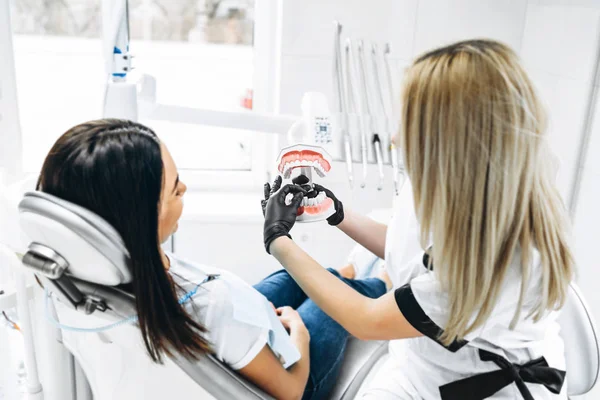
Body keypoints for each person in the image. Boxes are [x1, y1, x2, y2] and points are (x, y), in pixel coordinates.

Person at [261, 39, 573, 399]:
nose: (394, 137)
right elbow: (412, 251)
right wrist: (337, 213)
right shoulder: (440, 184)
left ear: (451, 141)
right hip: (421, 363)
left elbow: (366, 319)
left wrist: (278, 239)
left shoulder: (505, 257)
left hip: (477, 387)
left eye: (408, 124)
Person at [36, 119, 391, 400]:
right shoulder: (212, 303)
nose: (185, 189)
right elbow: (291, 391)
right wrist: (299, 333)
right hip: (292, 370)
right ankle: (382, 283)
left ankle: (344, 270)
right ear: (142, 218)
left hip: (238, 326)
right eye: (176, 188)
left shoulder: (76, 284)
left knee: (308, 277)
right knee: (337, 291)